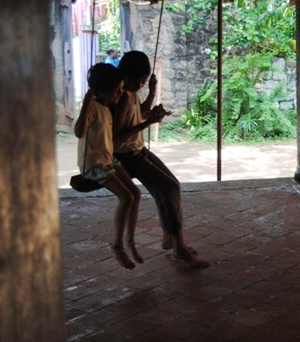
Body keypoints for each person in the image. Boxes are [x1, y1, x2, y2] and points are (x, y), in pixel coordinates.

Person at [112, 51, 209, 269]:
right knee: (168, 187)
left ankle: (171, 238)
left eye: (143, 82)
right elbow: (116, 136)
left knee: (169, 186)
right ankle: (178, 248)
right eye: (138, 81)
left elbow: (140, 113)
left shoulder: (128, 94)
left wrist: (153, 95)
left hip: (137, 151)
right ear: (125, 75)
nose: (140, 85)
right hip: (127, 156)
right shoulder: (120, 98)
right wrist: (149, 123)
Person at [74, 63, 142, 270]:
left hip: (107, 159)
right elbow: (79, 132)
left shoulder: (106, 106)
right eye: (116, 90)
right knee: (126, 197)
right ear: (101, 91)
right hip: (93, 165)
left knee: (136, 193)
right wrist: (86, 102)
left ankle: (130, 241)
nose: (121, 93)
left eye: (121, 88)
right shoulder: (93, 107)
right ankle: (118, 246)